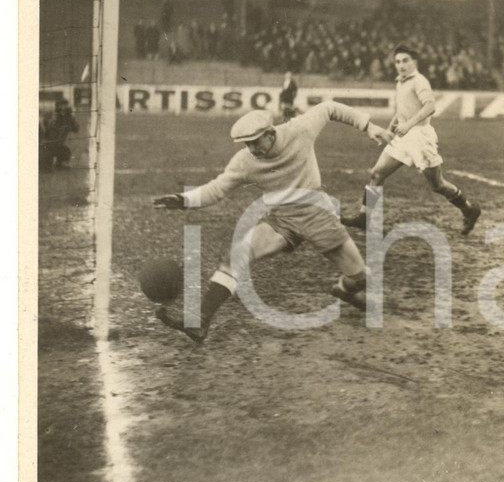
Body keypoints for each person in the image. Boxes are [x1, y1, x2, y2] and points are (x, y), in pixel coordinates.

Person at [152, 103, 393, 343]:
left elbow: (329, 108)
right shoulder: (245, 161)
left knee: (361, 279)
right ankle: (200, 322)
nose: (252, 149)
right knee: (236, 256)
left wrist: (368, 126)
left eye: (256, 141)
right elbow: (217, 188)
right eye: (247, 144)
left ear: (270, 133)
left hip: (317, 214)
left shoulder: (299, 130)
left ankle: (343, 289)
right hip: (282, 219)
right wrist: (183, 199)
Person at [340, 44, 482, 236]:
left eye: (405, 60)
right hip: (402, 137)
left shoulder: (419, 81)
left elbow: (430, 106)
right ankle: (365, 218)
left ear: (414, 62)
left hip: (420, 138)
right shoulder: (400, 82)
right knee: (377, 174)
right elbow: (401, 110)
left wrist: (409, 124)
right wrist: (389, 130)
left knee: (437, 185)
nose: (401, 65)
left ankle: (469, 210)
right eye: (398, 61)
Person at [39, 98, 79, 172]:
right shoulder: (52, 118)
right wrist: (54, 119)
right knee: (46, 157)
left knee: (65, 151)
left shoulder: (69, 118)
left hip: (59, 144)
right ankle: (45, 165)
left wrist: (70, 120)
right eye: (61, 107)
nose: (63, 109)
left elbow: (76, 129)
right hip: (47, 144)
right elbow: (47, 131)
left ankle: (60, 164)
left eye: (65, 106)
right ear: (57, 108)